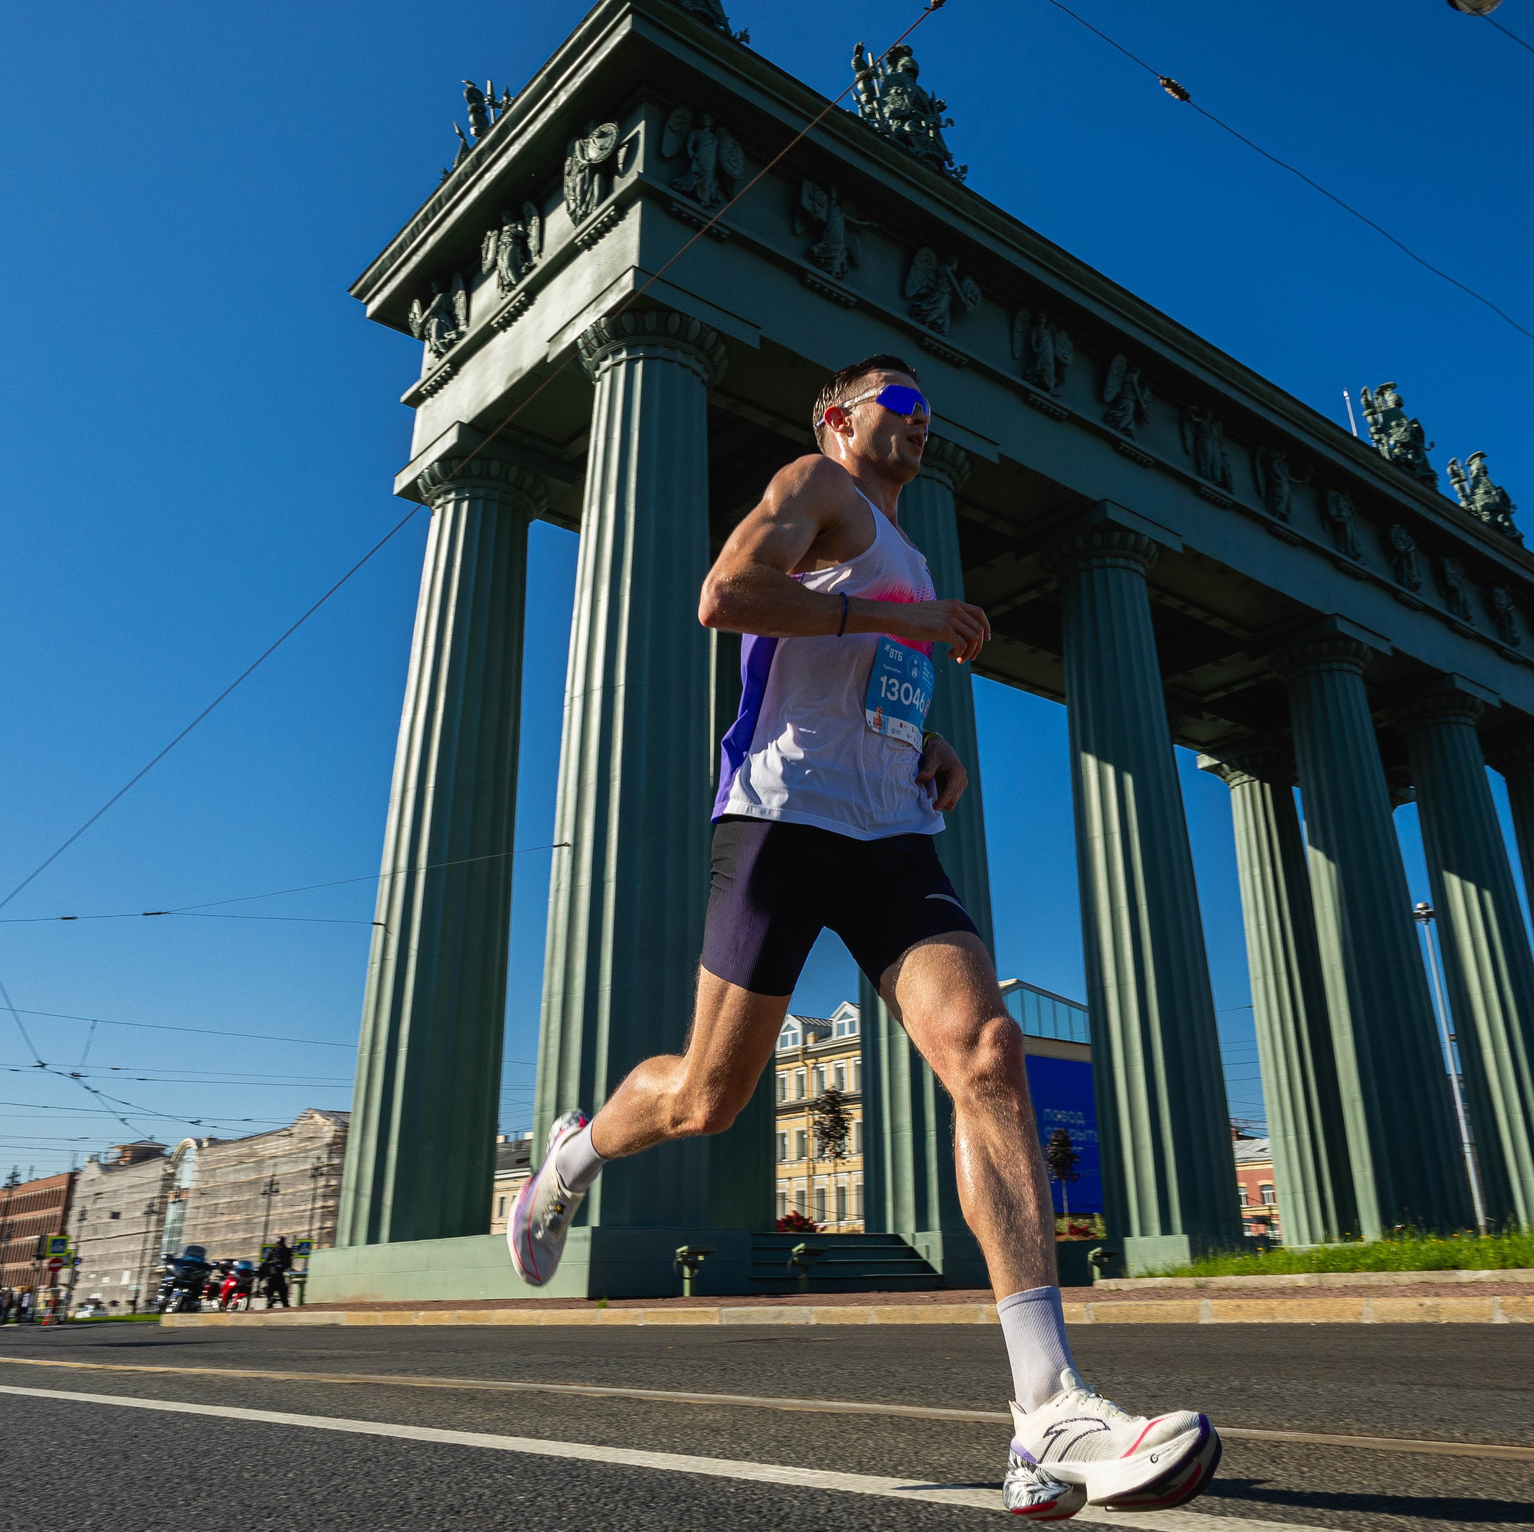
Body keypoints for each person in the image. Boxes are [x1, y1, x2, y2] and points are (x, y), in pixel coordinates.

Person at [507, 354, 1220, 1518]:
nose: (920, 427)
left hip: (889, 830)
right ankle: (574, 1156)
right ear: (840, 418)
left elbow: (867, 669)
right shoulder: (813, 485)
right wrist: (898, 616)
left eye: (930, 417)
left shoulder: (913, 552)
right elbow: (726, 594)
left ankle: (1046, 1412)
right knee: (705, 1099)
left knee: (987, 1052)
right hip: (782, 820)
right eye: (901, 408)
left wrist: (925, 738)